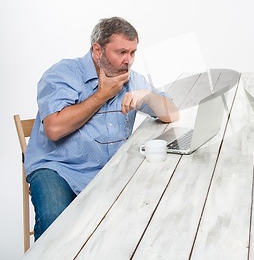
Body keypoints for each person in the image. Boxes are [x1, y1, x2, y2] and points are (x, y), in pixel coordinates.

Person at [24, 17, 179, 239]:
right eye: (121, 52)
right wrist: (103, 94)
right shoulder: (64, 73)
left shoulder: (132, 79)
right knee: (55, 221)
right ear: (97, 50)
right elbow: (54, 129)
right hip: (58, 168)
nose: (129, 61)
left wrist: (148, 96)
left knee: (154, 211)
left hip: (106, 170)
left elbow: (173, 113)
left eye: (133, 53)